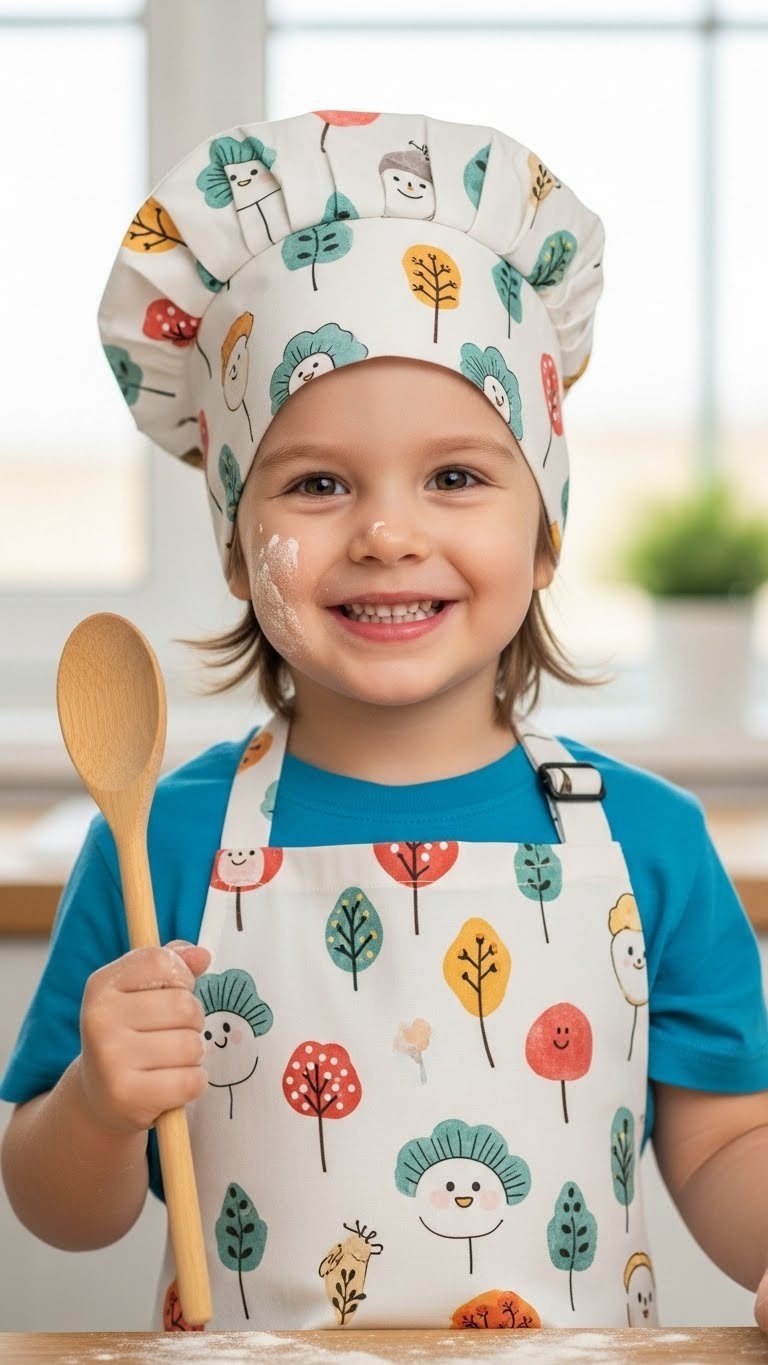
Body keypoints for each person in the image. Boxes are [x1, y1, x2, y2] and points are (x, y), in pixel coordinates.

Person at [2, 108, 768, 1335]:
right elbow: (59, 1205)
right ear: (241, 548)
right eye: (316, 483)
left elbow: (728, 1141)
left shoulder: (649, 841)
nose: (388, 533)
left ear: (546, 524)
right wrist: (96, 1104)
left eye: (457, 476)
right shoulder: (161, 836)